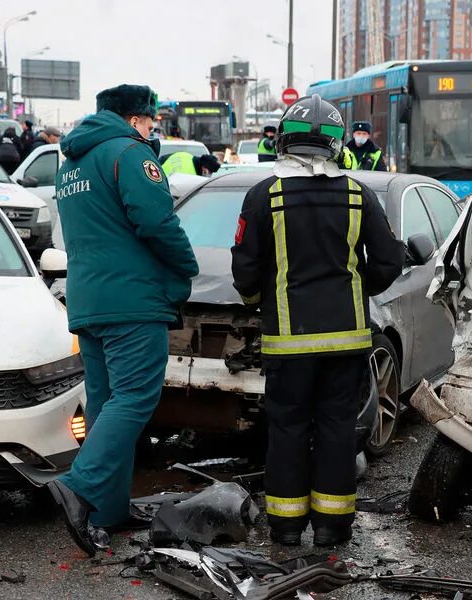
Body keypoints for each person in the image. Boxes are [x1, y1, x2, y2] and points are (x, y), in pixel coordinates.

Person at [231, 95, 404, 547]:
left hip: (287, 345)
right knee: (336, 429)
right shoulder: (357, 194)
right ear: (337, 143)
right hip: (347, 343)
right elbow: (388, 262)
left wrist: (258, 299)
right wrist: (355, 288)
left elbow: (245, 273)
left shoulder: (262, 195)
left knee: (287, 429)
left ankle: (286, 529)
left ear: (283, 140)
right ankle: (332, 528)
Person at [46, 83, 198, 557]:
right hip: (132, 300)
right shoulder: (130, 154)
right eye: (150, 120)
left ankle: (109, 510)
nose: (153, 128)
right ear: (135, 119)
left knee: (106, 401)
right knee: (134, 398)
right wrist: (187, 265)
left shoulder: (70, 161)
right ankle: (80, 485)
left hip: (88, 299)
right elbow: (157, 221)